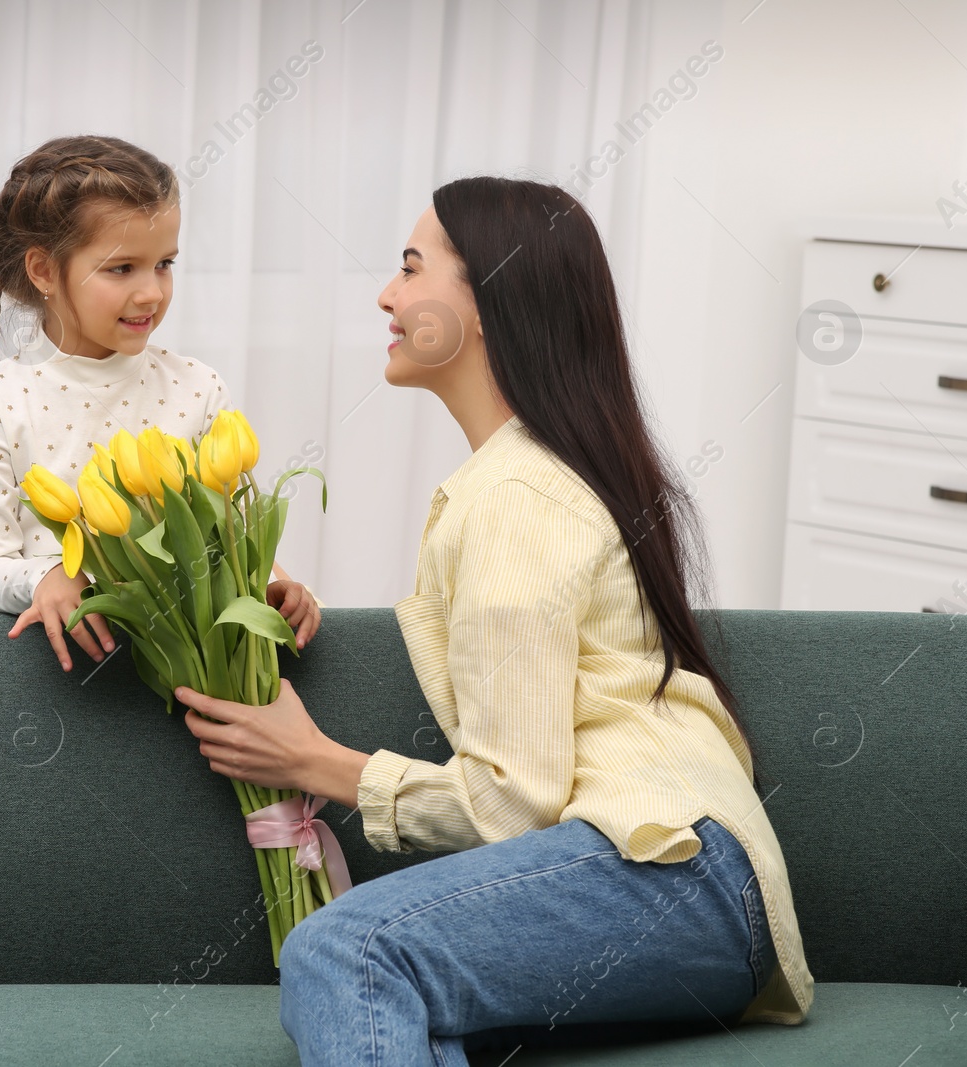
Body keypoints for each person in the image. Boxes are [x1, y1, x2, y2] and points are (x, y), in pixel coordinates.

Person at [173, 176, 812, 1066]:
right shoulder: (538, 476)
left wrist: (312, 759)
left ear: (489, 298)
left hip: (669, 872)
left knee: (342, 947)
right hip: (692, 892)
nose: (387, 295)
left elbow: (516, 798)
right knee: (421, 1016)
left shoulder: (516, 495)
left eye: (410, 267)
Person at [0, 135, 321, 669]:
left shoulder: (197, 387)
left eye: (165, 264)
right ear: (42, 271)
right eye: (122, 268)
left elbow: (229, 541)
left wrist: (274, 585)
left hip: (187, 674)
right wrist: (49, 575)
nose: (152, 291)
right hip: (60, 678)